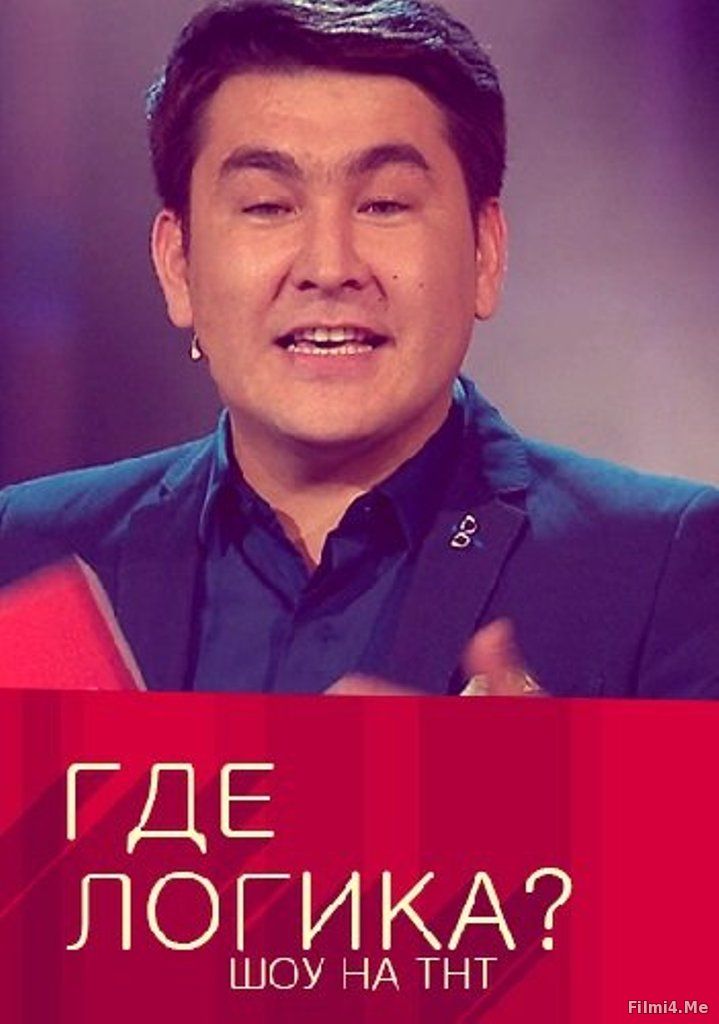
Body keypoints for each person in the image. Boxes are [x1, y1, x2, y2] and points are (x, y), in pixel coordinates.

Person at [0, 0, 717, 697]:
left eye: (384, 204)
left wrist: (545, 776)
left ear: (486, 252)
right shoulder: (24, 550)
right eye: (267, 206)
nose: (329, 266)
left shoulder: (664, 563)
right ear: (177, 265)